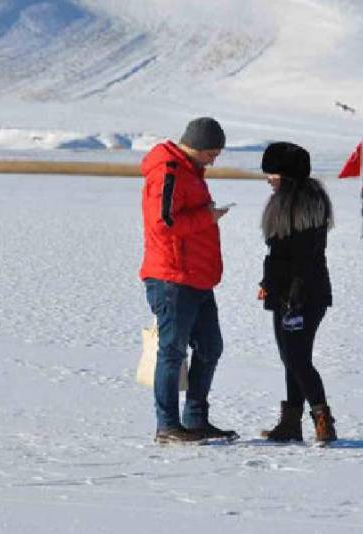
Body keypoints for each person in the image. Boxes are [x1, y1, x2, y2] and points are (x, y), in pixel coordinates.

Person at [140, 116, 237, 444]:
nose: (215, 158)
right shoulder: (169, 170)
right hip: (172, 277)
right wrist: (206, 217)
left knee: (210, 346)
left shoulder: (190, 172)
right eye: (214, 151)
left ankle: (195, 419)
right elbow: (163, 223)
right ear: (199, 145)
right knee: (172, 351)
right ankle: (167, 425)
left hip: (196, 277)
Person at [256, 141, 338, 444]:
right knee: (291, 356)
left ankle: (322, 419)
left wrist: (294, 295)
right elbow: (278, 257)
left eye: (272, 175)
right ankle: (291, 423)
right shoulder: (287, 204)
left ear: (287, 176)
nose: (268, 180)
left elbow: (304, 260)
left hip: (303, 295)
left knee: (297, 358)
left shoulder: (304, 207)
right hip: (287, 293)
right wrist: (268, 284)